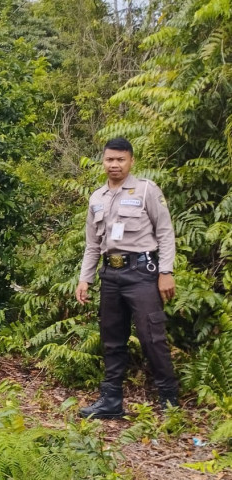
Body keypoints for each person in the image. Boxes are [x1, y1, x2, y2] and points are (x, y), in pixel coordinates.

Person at [76, 137, 178, 418]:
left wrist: (166, 271)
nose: (114, 165)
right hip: (110, 275)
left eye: (120, 159)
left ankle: (169, 403)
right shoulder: (97, 197)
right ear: (103, 161)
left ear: (131, 161)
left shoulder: (146, 190)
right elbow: (92, 244)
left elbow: (165, 232)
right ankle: (111, 401)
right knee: (112, 339)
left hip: (142, 273)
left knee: (151, 337)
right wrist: (86, 278)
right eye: (109, 159)